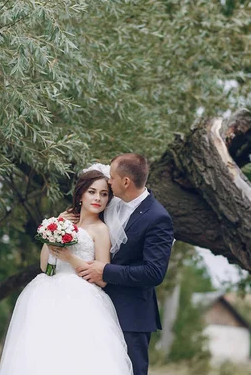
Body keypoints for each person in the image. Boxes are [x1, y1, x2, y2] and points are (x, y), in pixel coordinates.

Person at [0, 169, 133, 375]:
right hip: (46, 294)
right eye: (92, 192)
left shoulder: (100, 229)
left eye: (104, 194)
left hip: (83, 300)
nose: (98, 198)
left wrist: (70, 258)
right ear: (80, 195)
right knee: (42, 356)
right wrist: (55, 227)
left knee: (77, 357)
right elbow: (45, 266)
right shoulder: (64, 222)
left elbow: (102, 278)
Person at [77, 153, 175, 375]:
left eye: (111, 177)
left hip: (132, 316)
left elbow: (154, 272)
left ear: (126, 182)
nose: (108, 181)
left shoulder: (158, 218)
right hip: (97, 308)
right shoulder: (111, 204)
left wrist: (106, 271)